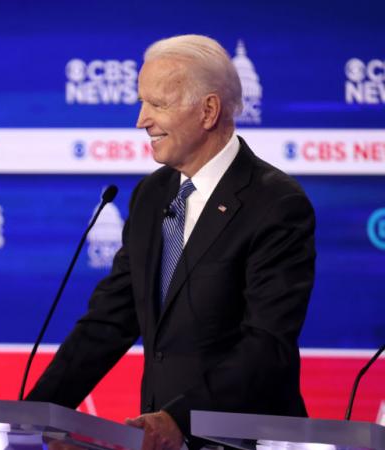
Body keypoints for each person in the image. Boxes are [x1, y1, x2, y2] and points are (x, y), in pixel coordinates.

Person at [27, 34, 315, 450]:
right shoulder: (151, 195)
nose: (141, 120)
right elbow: (110, 320)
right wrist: (34, 413)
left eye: (157, 104)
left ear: (209, 110)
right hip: (162, 439)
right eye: (142, 103)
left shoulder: (276, 203)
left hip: (243, 440)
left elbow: (266, 345)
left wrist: (179, 420)